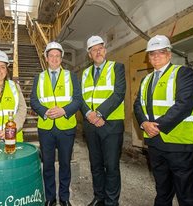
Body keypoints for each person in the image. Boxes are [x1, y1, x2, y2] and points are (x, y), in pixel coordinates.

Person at [133, 35, 193, 206]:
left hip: (178, 143)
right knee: (162, 190)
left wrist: (157, 126)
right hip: (155, 144)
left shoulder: (183, 73)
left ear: (169, 54)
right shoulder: (146, 80)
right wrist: (144, 124)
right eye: (152, 54)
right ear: (148, 58)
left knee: (187, 194)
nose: (156, 57)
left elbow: (183, 105)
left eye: (161, 53)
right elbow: (137, 105)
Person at [30, 42, 82, 206]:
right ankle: (50, 198)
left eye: (57, 56)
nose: (54, 59)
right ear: (46, 58)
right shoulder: (39, 77)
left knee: (65, 163)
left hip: (66, 127)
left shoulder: (71, 76)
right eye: (51, 55)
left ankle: (65, 198)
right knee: (48, 165)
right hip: (46, 128)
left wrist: (64, 111)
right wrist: (45, 112)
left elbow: (78, 100)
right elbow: (34, 100)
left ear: (61, 58)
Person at [80, 36, 126, 206]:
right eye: (94, 49)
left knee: (112, 166)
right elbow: (80, 98)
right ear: (89, 55)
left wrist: (99, 114)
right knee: (96, 165)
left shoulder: (116, 68)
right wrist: (88, 114)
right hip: (90, 126)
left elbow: (118, 94)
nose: (98, 52)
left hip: (111, 125)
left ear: (105, 50)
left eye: (100, 48)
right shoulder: (85, 73)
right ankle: (99, 197)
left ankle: (112, 201)